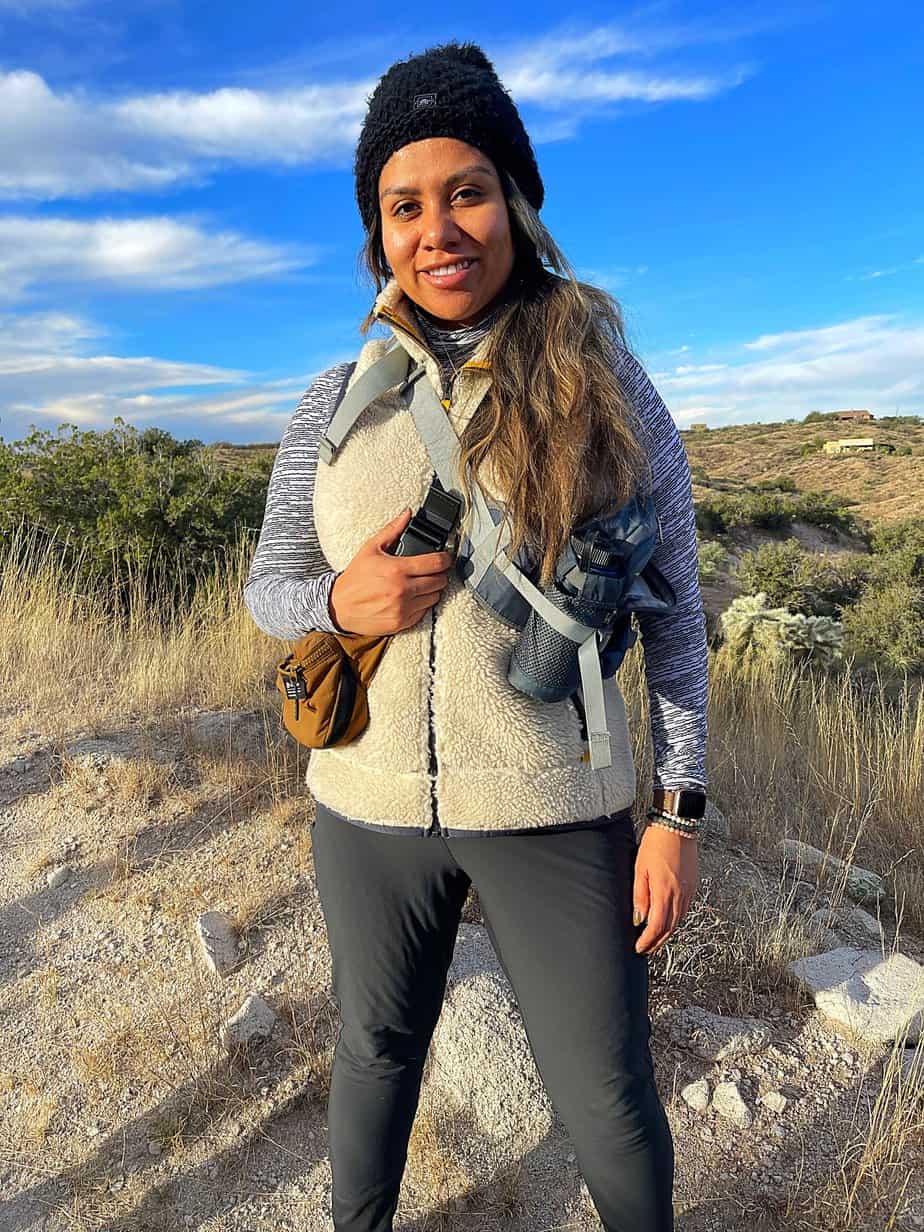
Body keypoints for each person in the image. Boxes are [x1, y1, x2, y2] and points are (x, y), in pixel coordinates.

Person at [244, 40, 708, 1232]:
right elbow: (270, 586)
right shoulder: (327, 404)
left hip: (557, 803)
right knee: (375, 1049)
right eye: (406, 204)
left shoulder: (606, 379)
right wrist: (341, 603)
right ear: (377, 233)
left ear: (515, 202)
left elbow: (676, 615)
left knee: (607, 1095)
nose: (438, 228)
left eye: (467, 191)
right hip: (366, 802)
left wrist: (680, 812)